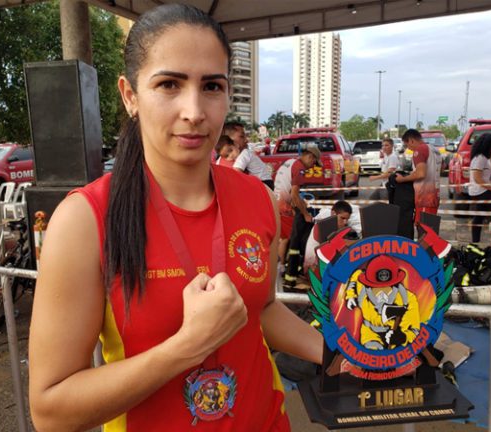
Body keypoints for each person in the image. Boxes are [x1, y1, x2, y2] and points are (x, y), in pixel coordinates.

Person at [28, 5, 322, 431]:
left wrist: (339, 352)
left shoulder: (257, 198)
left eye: (211, 86)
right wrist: (187, 346)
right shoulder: (84, 220)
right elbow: (50, 411)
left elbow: (262, 308)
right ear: (130, 95)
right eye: (169, 84)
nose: (194, 110)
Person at [344, 255, 421, 350]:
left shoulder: (408, 299)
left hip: (395, 335)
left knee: (394, 355)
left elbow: (415, 330)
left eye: (387, 286)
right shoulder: (362, 291)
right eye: (375, 286)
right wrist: (350, 295)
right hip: (370, 333)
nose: (382, 289)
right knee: (373, 351)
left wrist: (403, 337)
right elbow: (357, 275)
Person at [282, 145, 322, 290]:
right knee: (296, 241)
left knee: (289, 240)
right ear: (310, 156)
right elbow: (294, 194)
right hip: (285, 206)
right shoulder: (299, 169)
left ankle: (290, 275)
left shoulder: (291, 162)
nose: (313, 166)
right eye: (314, 162)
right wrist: (305, 214)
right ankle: (291, 279)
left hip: (281, 204)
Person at [395, 129, 441, 228]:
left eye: (407, 145)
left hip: (425, 197)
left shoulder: (419, 150)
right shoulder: (434, 149)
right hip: (434, 195)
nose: (409, 149)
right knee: (430, 230)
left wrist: (403, 179)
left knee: (424, 230)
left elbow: (420, 174)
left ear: (411, 140)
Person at [303, 200, 361, 272]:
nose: (345, 222)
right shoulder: (324, 225)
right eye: (342, 218)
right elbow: (341, 244)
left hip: (318, 264)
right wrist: (362, 241)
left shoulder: (330, 223)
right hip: (314, 268)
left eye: (347, 219)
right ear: (333, 213)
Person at [468, 133, 491, 243]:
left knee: (479, 217)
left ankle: (476, 243)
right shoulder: (480, 158)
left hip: (483, 190)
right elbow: (477, 178)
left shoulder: (484, 158)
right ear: (489, 143)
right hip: (481, 191)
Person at [224, 122, 274, 189]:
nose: (246, 140)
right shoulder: (224, 164)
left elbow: (236, 173)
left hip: (263, 184)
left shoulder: (244, 154)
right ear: (228, 140)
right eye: (241, 136)